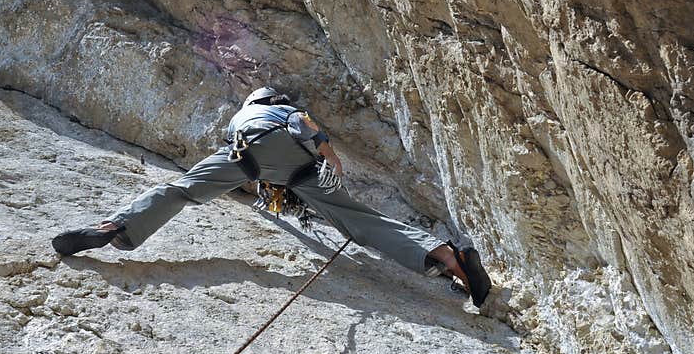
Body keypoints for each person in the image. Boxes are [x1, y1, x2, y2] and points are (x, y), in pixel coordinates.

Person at [52, 87, 492, 306]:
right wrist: (328, 156)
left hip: (247, 155)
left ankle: (115, 227)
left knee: (180, 190)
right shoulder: (283, 108)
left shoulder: (249, 112)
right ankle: (447, 256)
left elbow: (254, 170)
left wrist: (264, 184)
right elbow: (305, 126)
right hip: (301, 167)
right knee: (359, 221)